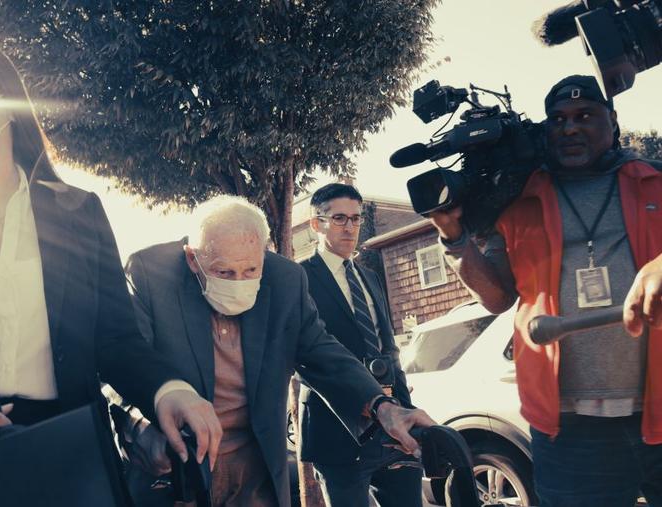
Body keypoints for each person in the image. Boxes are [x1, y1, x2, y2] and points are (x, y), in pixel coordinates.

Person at [0, 33, 203, 467]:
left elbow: (116, 340)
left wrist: (169, 391)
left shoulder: (78, 210)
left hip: (71, 455)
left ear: (6, 99)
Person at [428, 74, 662, 507]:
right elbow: (497, 296)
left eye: (584, 116)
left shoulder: (655, 181)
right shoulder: (518, 201)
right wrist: (453, 236)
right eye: (557, 119)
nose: (569, 127)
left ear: (613, 122)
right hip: (570, 432)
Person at [124, 195, 435, 507]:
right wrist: (142, 423)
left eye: (250, 270)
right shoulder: (150, 274)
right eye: (224, 273)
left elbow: (323, 353)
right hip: (178, 473)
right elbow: (125, 359)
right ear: (193, 258)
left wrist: (383, 406)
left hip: (255, 474)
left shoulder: (285, 280)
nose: (239, 282)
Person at [298, 183, 422, 507]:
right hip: (336, 430)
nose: (350, 227)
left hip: (392, 429)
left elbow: (389, 348)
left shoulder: (370, 277)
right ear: (316, 223)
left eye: (355, 218)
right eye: (339, 218)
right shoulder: (298, 279)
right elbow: (305, 356)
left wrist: (403, 409)